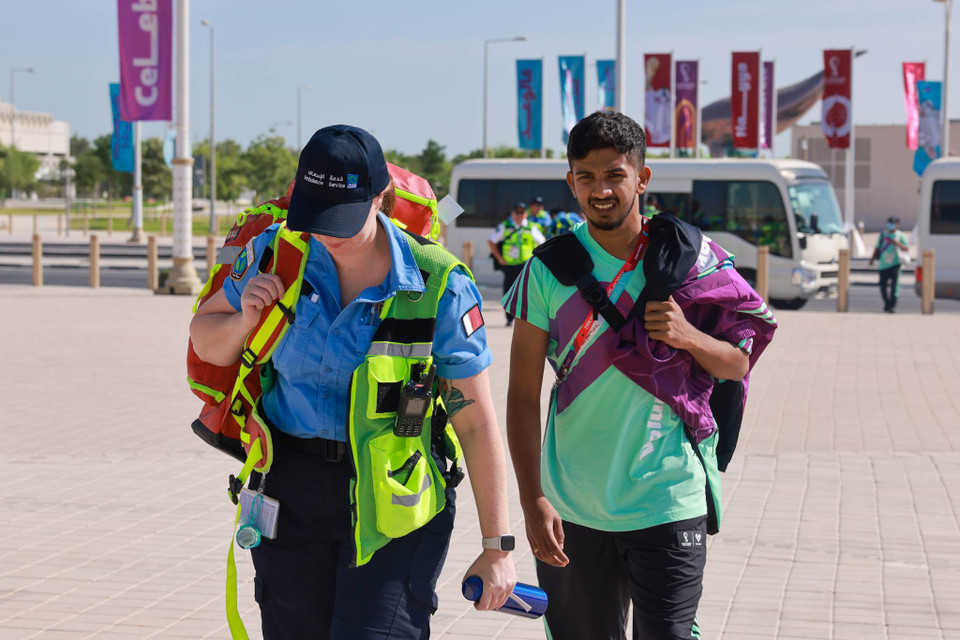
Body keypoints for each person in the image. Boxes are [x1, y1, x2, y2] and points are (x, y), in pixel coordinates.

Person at [190, 125, 515, 639]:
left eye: (341, 220)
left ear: (380, 196)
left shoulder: (439, 286)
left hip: (396, 503)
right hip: (290, 493)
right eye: (316, 217)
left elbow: (476, 423)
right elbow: (206, 340)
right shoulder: (278, 253)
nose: (326, 234)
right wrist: (243, 320)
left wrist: (498, 547)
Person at [502, 111, 776, 640]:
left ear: (642, 179)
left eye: (614, 175)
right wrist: (532, 497)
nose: (600, 189)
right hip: (572, 504)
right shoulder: (546, 268)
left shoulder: (693, 261)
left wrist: (689, 337)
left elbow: (739, 362)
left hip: (669, 498)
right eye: (586, 176)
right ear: (571, 182)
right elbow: (519, 394)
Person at [488, 202, 545, 326]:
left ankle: (525, 318)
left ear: (526, 214)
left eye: (522, 212)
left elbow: (542, 243)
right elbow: (491, 241)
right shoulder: (505, 226)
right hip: (510, 265)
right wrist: (499, 258)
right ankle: (509, 318)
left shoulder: (531, 227)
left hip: (525, 265)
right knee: (508, 291)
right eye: (517, 212)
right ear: (513, 214)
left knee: (526, 292)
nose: (519, 215)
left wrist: (536, 260)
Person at [869, 215, 910, 313]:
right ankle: (887, 304)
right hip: (883, 264)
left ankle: (892, 305)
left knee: (894, 286)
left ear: (897, 225)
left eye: (893, 223)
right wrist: (872, 259)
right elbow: (877, 247)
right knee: (882, 286)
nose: (891, 225)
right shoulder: (883, 235)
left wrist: (897, 243)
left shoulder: (901, 236)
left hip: (896, 264)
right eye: (889, 223)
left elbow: (906, 248)